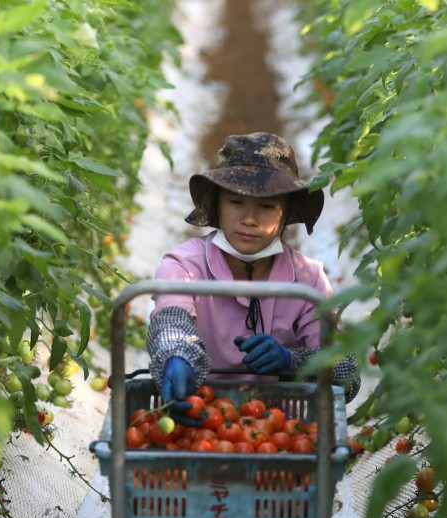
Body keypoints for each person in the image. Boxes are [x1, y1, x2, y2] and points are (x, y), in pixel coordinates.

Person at [146, 132, 361, 425]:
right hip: (200, 418)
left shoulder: (308, 280)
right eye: (236, 202)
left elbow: (347, 375)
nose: (250, 219)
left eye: (267, 207)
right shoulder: (184, 266)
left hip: (279, 430)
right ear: (216, 205)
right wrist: (176, 357)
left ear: (286, 212)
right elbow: (172, 318)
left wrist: (291, 361)